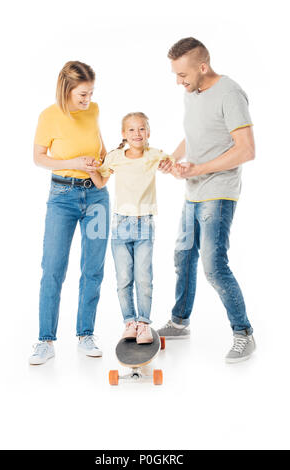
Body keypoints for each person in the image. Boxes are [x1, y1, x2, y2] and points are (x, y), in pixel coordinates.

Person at [158, 37, 256, 363]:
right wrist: (174, 158)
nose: (178, 82)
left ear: (203, 67)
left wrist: (199, 168)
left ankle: (243, 333)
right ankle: (180, 322)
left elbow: (246, 149)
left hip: (219, 191)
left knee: (214, 266)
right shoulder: (193, 92)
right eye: (175, 75)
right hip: (194, 190)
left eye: (182, 75)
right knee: (183, 256)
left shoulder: (229, 93)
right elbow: (197, 132)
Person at [29, 61, 110, 365]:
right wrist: (76, 162)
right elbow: (38, 157)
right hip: (62, 196)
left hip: (97, 196)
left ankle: (85, 333)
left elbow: (100, 148)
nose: (87, 99)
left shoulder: (94, 110)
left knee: (93, 268)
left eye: (90, 93)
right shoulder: (49, 116)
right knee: (53, 268)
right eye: (82, 95)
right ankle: (45, 340)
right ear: (66, 89)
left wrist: (103, 162)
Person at [87, 112, 173, 344]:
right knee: (124, 277)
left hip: (145, 223)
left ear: (148, 133)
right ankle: (130, 322)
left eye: (142, 129)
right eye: (132, 130)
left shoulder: (154, 155)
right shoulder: (115, 157)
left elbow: (172, 164)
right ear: (124, 134)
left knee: (143, 277)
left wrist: (170, 164)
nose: (137, 134)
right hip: (120, 225)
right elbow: (101, 181)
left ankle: (144, 323)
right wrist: (91, 169)